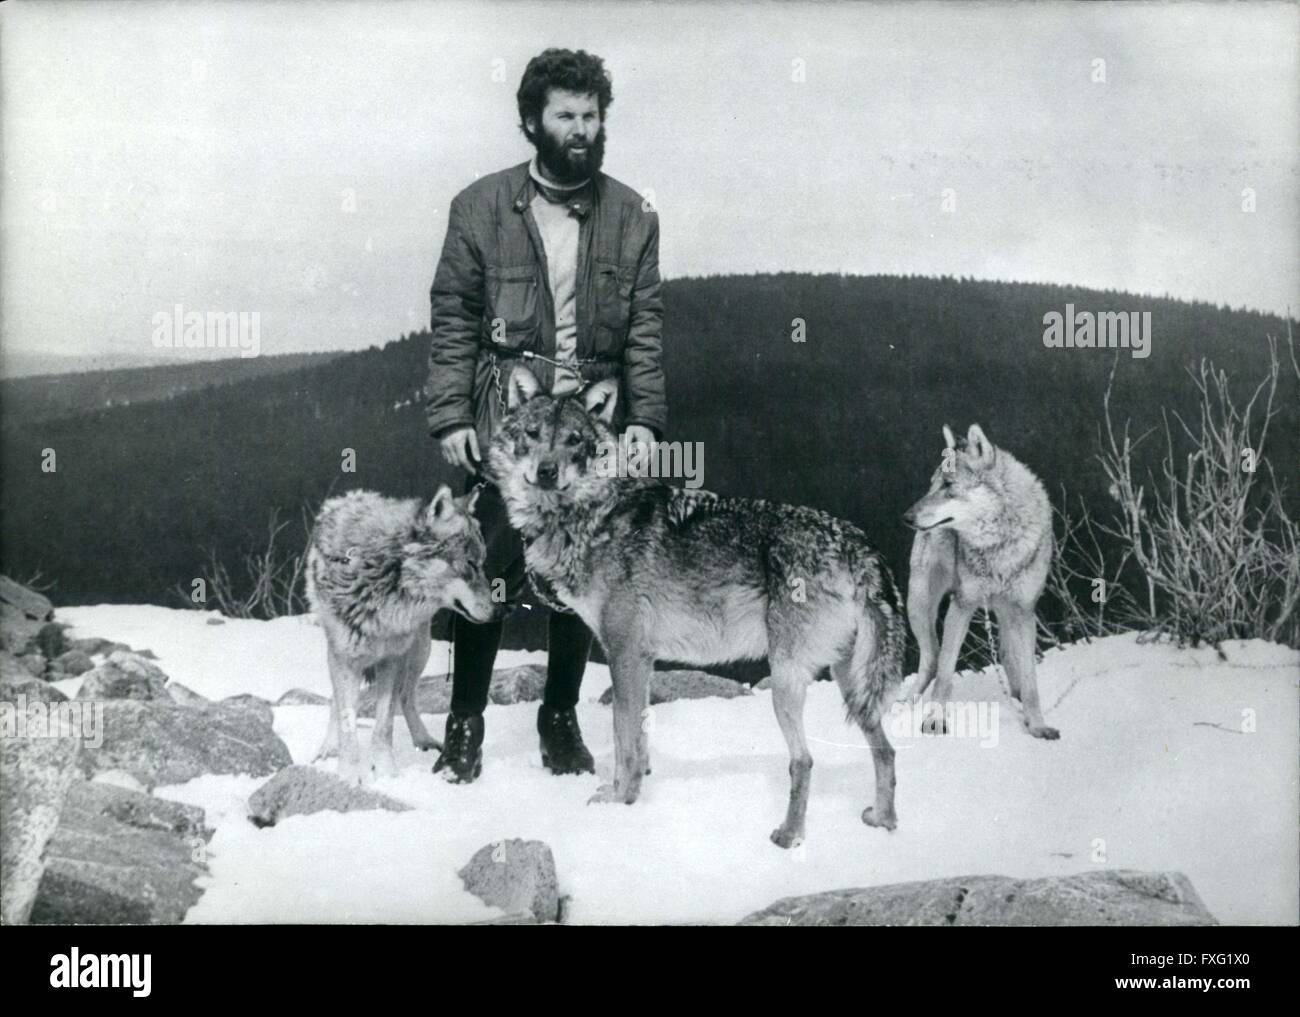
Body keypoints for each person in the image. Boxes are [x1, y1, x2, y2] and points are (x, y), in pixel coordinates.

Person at [425, 48, 666, 783]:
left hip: (588, 423)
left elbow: (645, 328)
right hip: (512, 418)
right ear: (532, 121)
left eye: (593, 115)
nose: (583, 129)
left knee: (584, 562)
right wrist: (450, 414)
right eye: (566, 115)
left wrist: (646, 422)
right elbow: (454, 317)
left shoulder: (631, 214)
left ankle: (559, 718)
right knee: (488, 558)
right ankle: (464, 723)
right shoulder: (480, 207)